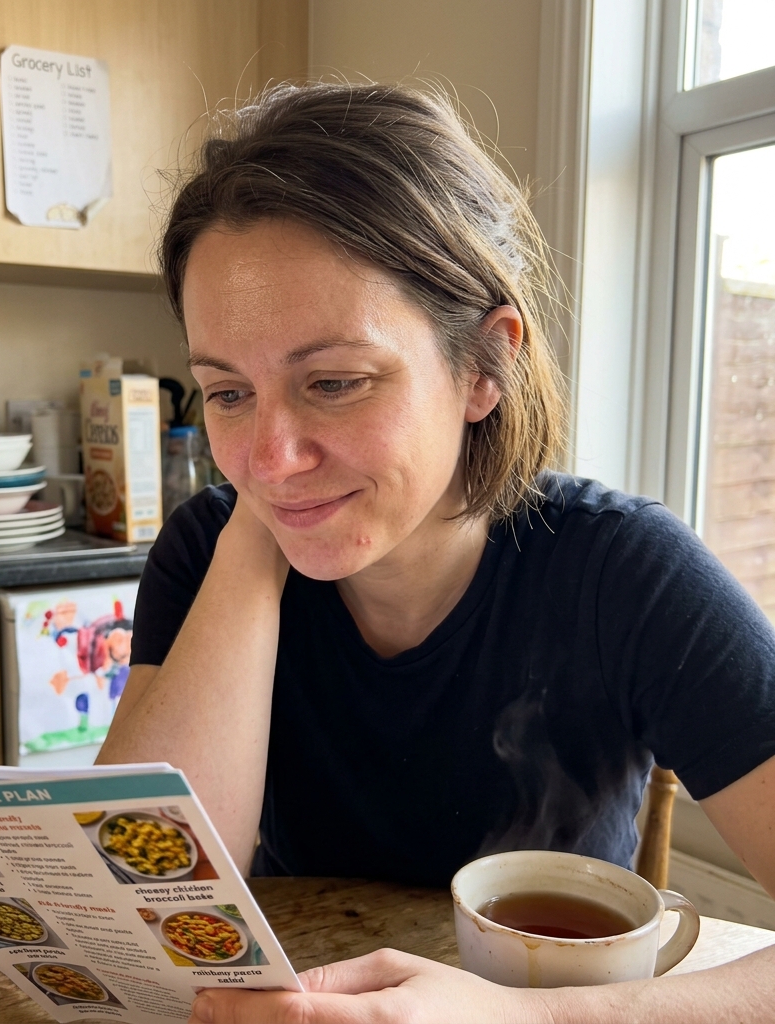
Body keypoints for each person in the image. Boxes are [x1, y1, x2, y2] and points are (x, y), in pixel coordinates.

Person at [97, 83, 775, 1022]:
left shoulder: (626, 575)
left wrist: (520, 1020)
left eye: (333, 382)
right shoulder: (208, 548)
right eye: (226, 393)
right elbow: (143, 904)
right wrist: (264, 523)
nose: (269, 453)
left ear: (482, 367)